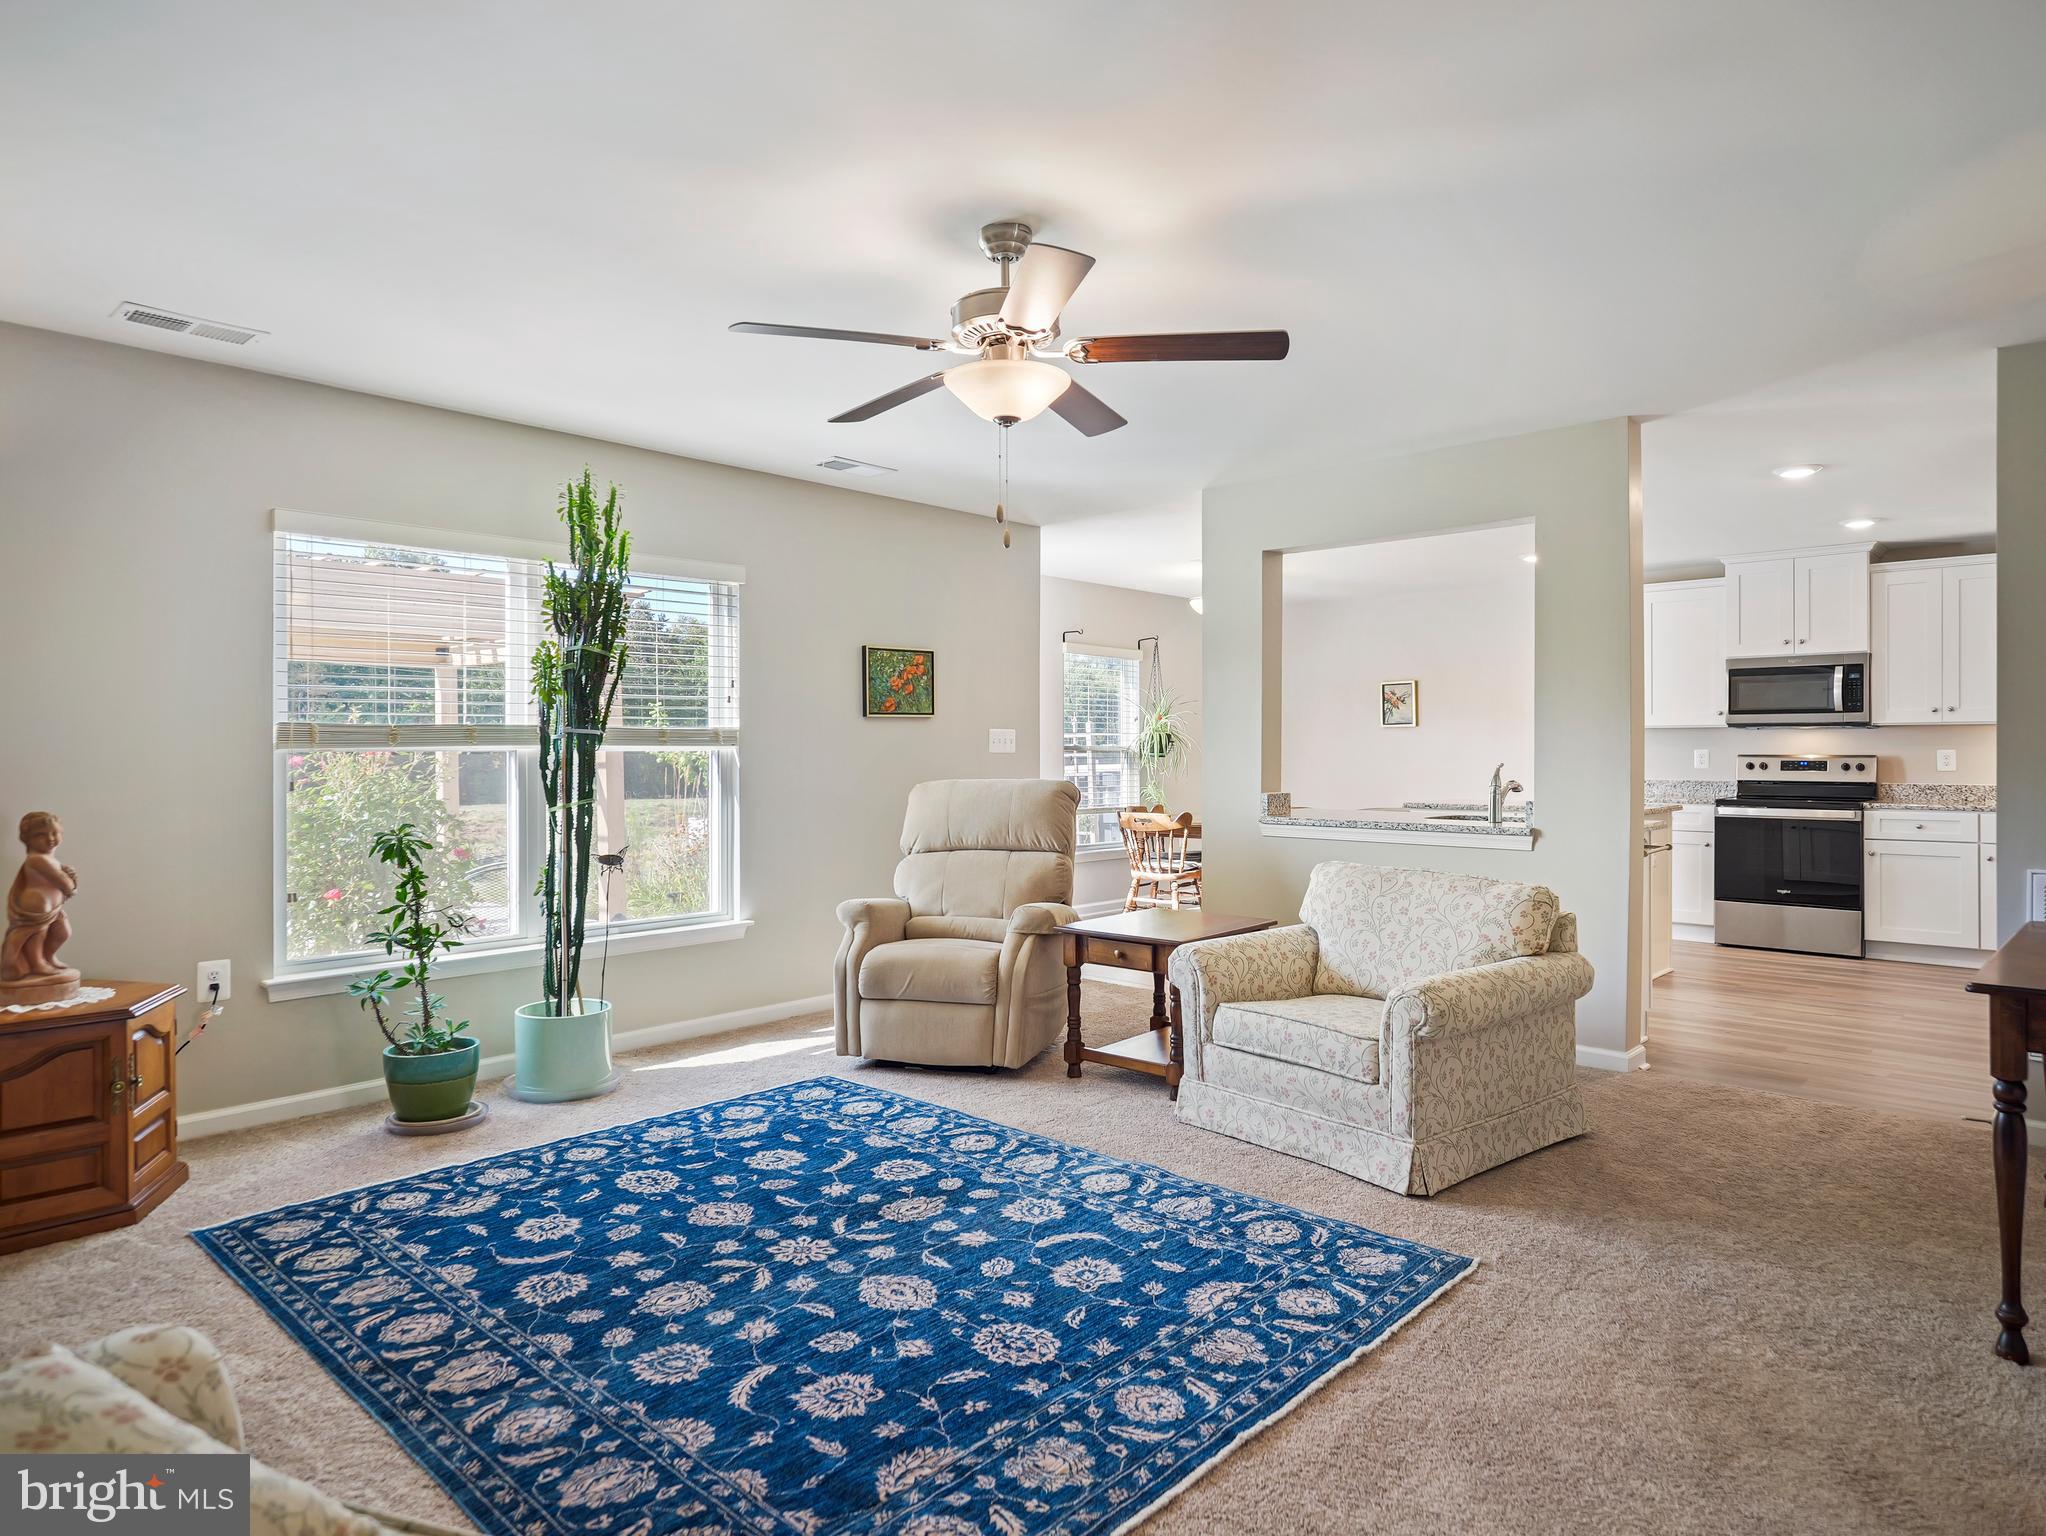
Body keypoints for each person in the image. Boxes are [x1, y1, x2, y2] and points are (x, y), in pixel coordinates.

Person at [3, 811, 80, 991]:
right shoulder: (37, 860)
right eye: (41, 835)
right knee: (36, 936)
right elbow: (64, 883)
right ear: (27, 839)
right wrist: (71, 884)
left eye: (55, 833)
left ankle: (48, 957)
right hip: (37, 905)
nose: (51, 838)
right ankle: (37, 963)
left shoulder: (49, 859)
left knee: (62, 932)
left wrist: (68, 877)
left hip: (53, 906)